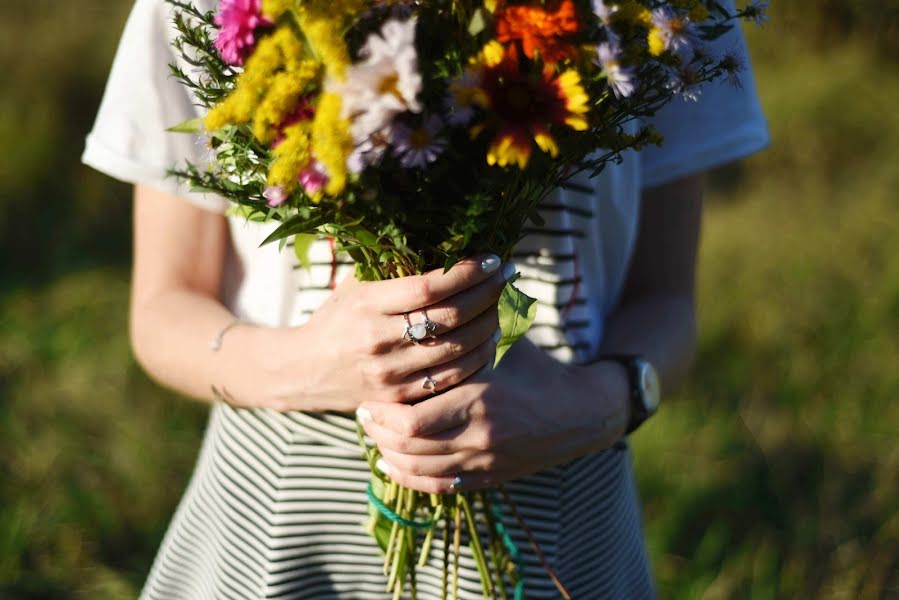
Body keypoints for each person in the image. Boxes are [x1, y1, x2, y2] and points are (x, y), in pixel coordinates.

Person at [82, 0, 768, 597]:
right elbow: (163, 309)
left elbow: (667, 301)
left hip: (566, 473)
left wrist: (601, 405)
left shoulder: (667, 11)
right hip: (284, 499)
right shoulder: (197, 5)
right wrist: (304, 364)